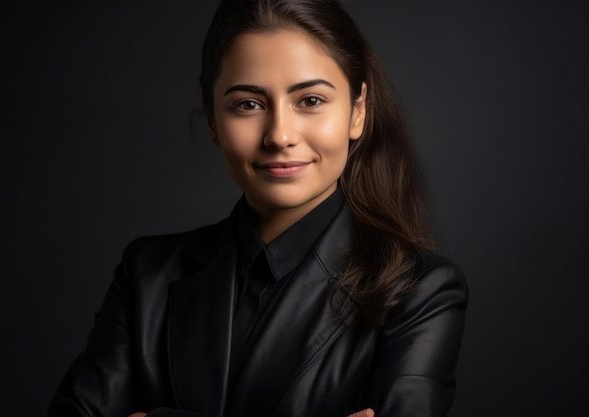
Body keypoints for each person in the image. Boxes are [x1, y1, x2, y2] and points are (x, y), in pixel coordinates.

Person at [47, 0, 468, 416]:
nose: (280, 135)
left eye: (311, 101)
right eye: (248, 104)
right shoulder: (147, 274)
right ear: (213, 119)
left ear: (357, 111)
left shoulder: (420, 291)